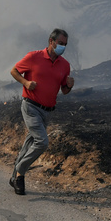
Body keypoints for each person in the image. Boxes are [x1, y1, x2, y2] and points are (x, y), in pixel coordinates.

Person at [9, 28, 74, 195]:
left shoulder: (65, 65)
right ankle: (20, 172)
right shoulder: (34, 57)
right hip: (30, 106)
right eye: (60, 43)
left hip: (47, 111)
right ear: (51, 41)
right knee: (42, 142)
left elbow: (64, 91)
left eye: (65, 45)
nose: (63, 47)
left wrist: (69, 86)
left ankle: (14, 177)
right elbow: (14, 71)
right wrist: (25, 82)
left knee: (30, 143)